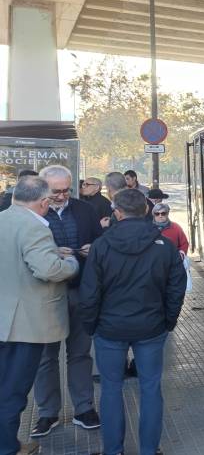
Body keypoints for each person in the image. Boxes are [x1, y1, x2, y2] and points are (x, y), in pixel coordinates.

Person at [79, 189, 187, 455]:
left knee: (111, 389)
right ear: (147, 211)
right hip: (151, 328)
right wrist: (168, 321)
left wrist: (91, 325)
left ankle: (113, 450)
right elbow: (177, 287)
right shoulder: (164, 246)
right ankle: (149, 450)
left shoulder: (101, 246)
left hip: (109, 329)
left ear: (117, 213)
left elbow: (90, 292)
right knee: (151, 388)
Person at [0, 176, 79, 455]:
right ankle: (8, 447)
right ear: (44, 202)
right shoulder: (34, 227)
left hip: (3, 319)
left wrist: (51, 252)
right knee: (13, 391)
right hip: (25, 324)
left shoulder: (4, 218)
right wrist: (69, 262)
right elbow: (48, 270)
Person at [30, 166, 103, 439]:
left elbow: (101, 240)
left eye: (66, 190)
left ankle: (84, 409)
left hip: (79, 292)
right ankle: (47, 413)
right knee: (45, 358)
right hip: (45, 294)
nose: (62, 196)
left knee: (81, 353)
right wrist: (51, 254)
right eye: (56, 191)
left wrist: (94, 249)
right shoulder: (33, 213)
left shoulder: (84, 210)